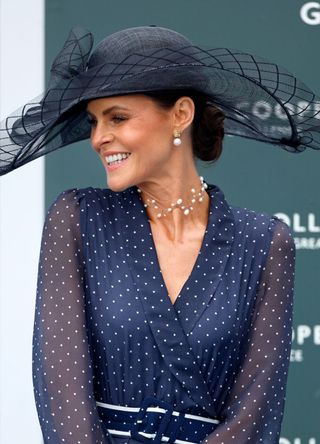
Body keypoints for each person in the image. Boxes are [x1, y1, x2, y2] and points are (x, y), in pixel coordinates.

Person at [1, 25, 319, 444]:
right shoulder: (77, 218)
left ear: (181, 114)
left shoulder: (264, 243)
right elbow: (62, 399)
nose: (98, 138)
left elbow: (256, 414)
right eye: (94, 121)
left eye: (118, 117)